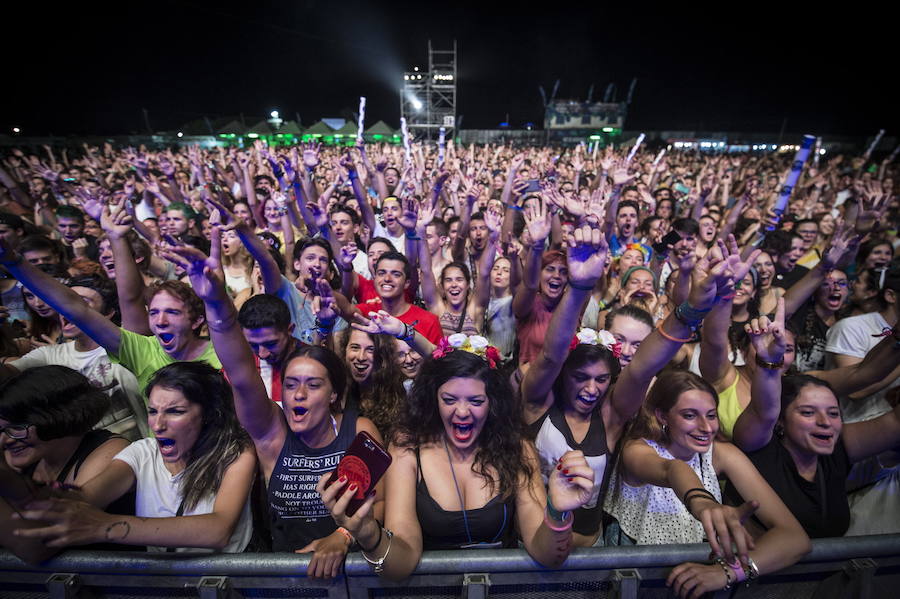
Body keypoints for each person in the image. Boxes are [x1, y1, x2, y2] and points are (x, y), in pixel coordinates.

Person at [166, 232, 384, 578]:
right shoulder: (273, 433)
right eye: (292, 384)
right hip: (286, 569)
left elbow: (380, 502)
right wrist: (217, 305)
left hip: (356, 575)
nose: (297, 393)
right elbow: (239, 371)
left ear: (333, 394)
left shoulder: (359, 429)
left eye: (312, 385)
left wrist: (341, 537)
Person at [520, 229, 747, 546]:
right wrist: (580, 285)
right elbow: (550, 355)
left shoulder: (610, 417)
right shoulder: (538, 403)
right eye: (580, 377)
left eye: (601, 379)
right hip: (528, 550)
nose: (591, 389)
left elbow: (642, 368)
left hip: (588, 555)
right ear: (563, 374)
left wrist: (692, 309)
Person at [318, 335, 596, 581]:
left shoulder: (516, 449)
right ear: (433, 399)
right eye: (449, 400)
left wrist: (558, 512)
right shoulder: (407, 448)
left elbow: (547, 555)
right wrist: (368, 534)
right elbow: (400, 564)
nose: (462, 412)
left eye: (475, 402)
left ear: (492, 403)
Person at [9, 362, 256, 553]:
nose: (158, 425)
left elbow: (218, 530)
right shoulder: (142, 452)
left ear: (209, 415)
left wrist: (104, 527)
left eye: (175, 411)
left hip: (226, 584)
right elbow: (87, 497)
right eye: (152, 411)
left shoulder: (234, 453)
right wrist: (53, 498)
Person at [606, 370, 810, 598]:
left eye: (711, 415)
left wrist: (729, 572)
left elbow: (795, 538)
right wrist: (703, 503)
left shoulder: (721, 454)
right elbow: (673, 469)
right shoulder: (638, 448)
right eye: (690, 415)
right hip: (632, 584)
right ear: (662, 416)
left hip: (691, 586)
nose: (706, 427)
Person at [728, 319, 900, 538]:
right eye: (808, 412)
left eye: (833, 413)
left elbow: (895, 423)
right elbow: (764, 411)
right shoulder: (759, 448)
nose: (825, 422)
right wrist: (768, 363)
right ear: (780, 421)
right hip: (760, 571)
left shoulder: (836, 445)